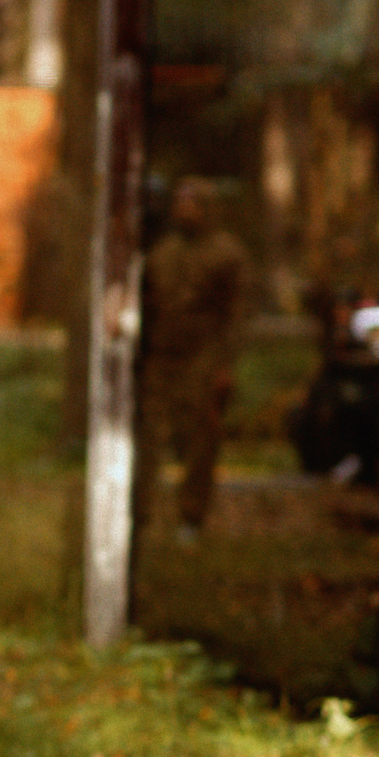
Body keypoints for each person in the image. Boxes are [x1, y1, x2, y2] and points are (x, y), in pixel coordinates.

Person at [137, 177, 251, 542]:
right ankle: (139, 513)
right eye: (180, 204)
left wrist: (224, 365)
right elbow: (147, 304)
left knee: (201, 439)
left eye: (193, 205)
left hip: (204, 357)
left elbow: (237, 314)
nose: (184, 211)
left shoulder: (228, 254)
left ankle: (191, 515)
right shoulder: (161, 252)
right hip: (162, 356)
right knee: (148, 435)